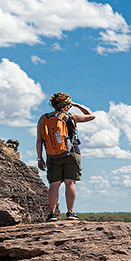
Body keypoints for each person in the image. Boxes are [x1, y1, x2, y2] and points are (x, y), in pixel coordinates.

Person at [36, 93, 94, 221]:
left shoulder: (43, 118)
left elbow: (39, 141)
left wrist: (40, 158)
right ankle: (70, 213)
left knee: (54, 184)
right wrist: (77, 105)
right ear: (67, 105)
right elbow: (91, 116)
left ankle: (52, 214)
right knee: (70, 182)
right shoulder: (71, 116)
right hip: (71, 153)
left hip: (52, 154)